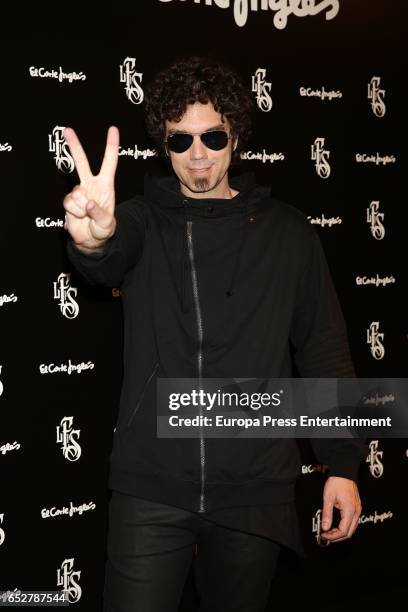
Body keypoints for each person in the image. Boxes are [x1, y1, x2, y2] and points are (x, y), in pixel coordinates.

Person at [63, 56, 367, 612]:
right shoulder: (141, 221)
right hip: (151, 488)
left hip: (255, 494)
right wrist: (92, 239)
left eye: (212, 136)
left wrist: (343, 466)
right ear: (163, 144)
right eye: (180, 141)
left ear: (236, 135)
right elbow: (105, 260)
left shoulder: (288, 232)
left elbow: (324, 348)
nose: (197, 154)